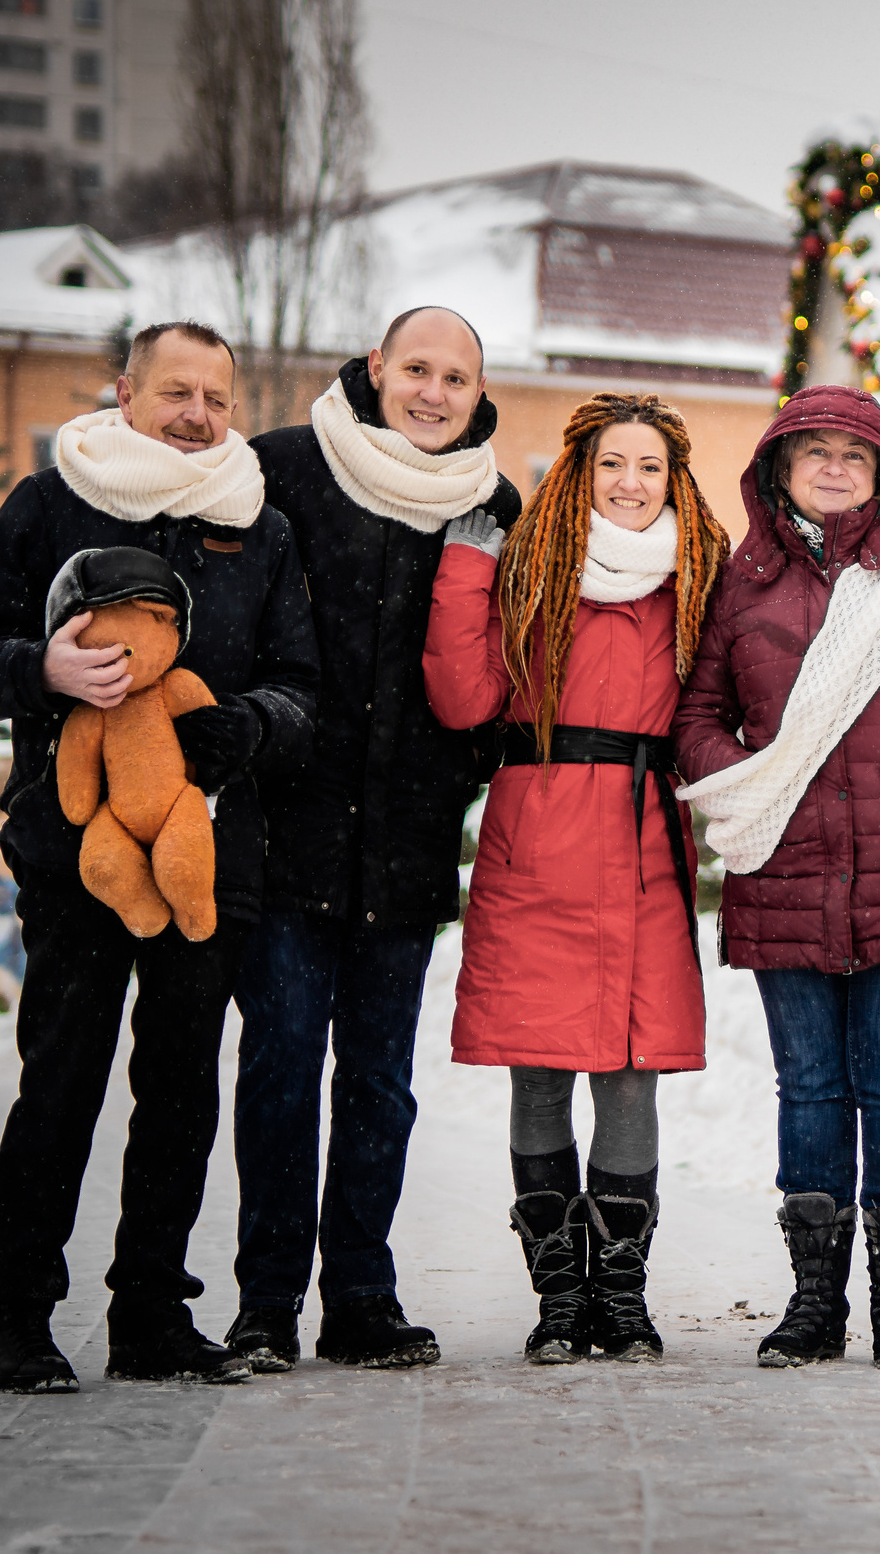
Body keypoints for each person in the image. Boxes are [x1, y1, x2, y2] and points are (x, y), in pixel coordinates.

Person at [0, 321, 319, 1391]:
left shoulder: (263, 527)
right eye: (176, 392)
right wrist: (43, 669)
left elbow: (303, 689)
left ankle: (151, 1310)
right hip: (74, 853)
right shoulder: (53, 501)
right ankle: (19, 1315)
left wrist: (246, 726)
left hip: (208, 854)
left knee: (180, 1088)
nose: (198, 413)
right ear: (126, 392)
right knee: (60, 1078)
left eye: (217, 397)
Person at [673, 386, 880, 1371]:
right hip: (784, 863)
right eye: (810, 450)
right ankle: (814, 1305)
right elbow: (697, 708)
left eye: (850, 455)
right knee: (810, 1091)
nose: (830, 467)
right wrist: (739, 785)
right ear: (777, 468)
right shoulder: (740, 584)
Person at [223, 308, 522, 1373]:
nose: (433, 393)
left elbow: (502, 664)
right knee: (280, 1067)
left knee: (379, 1083)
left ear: (476, 391)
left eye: (455, 377)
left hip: (406, 840)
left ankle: (360, 1295)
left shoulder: (489, 502)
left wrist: (468, 763)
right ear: (375, 370)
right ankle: (264, 1301)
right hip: (286, 834)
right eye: (417, 370)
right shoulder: (282, 470)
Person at [424, 393, 727, 1364]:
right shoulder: (527, 568)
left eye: (648, 466)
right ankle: (559, 1297)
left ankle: (622, 1299)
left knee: (632, 1078)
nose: (630, 484)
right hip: (536, 836)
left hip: (642, 840)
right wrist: (466, 569)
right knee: (542, 1066)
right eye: (611, 465)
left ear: (673, 480)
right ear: (577, 473)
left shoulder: (699, 576)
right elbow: (465, 693)